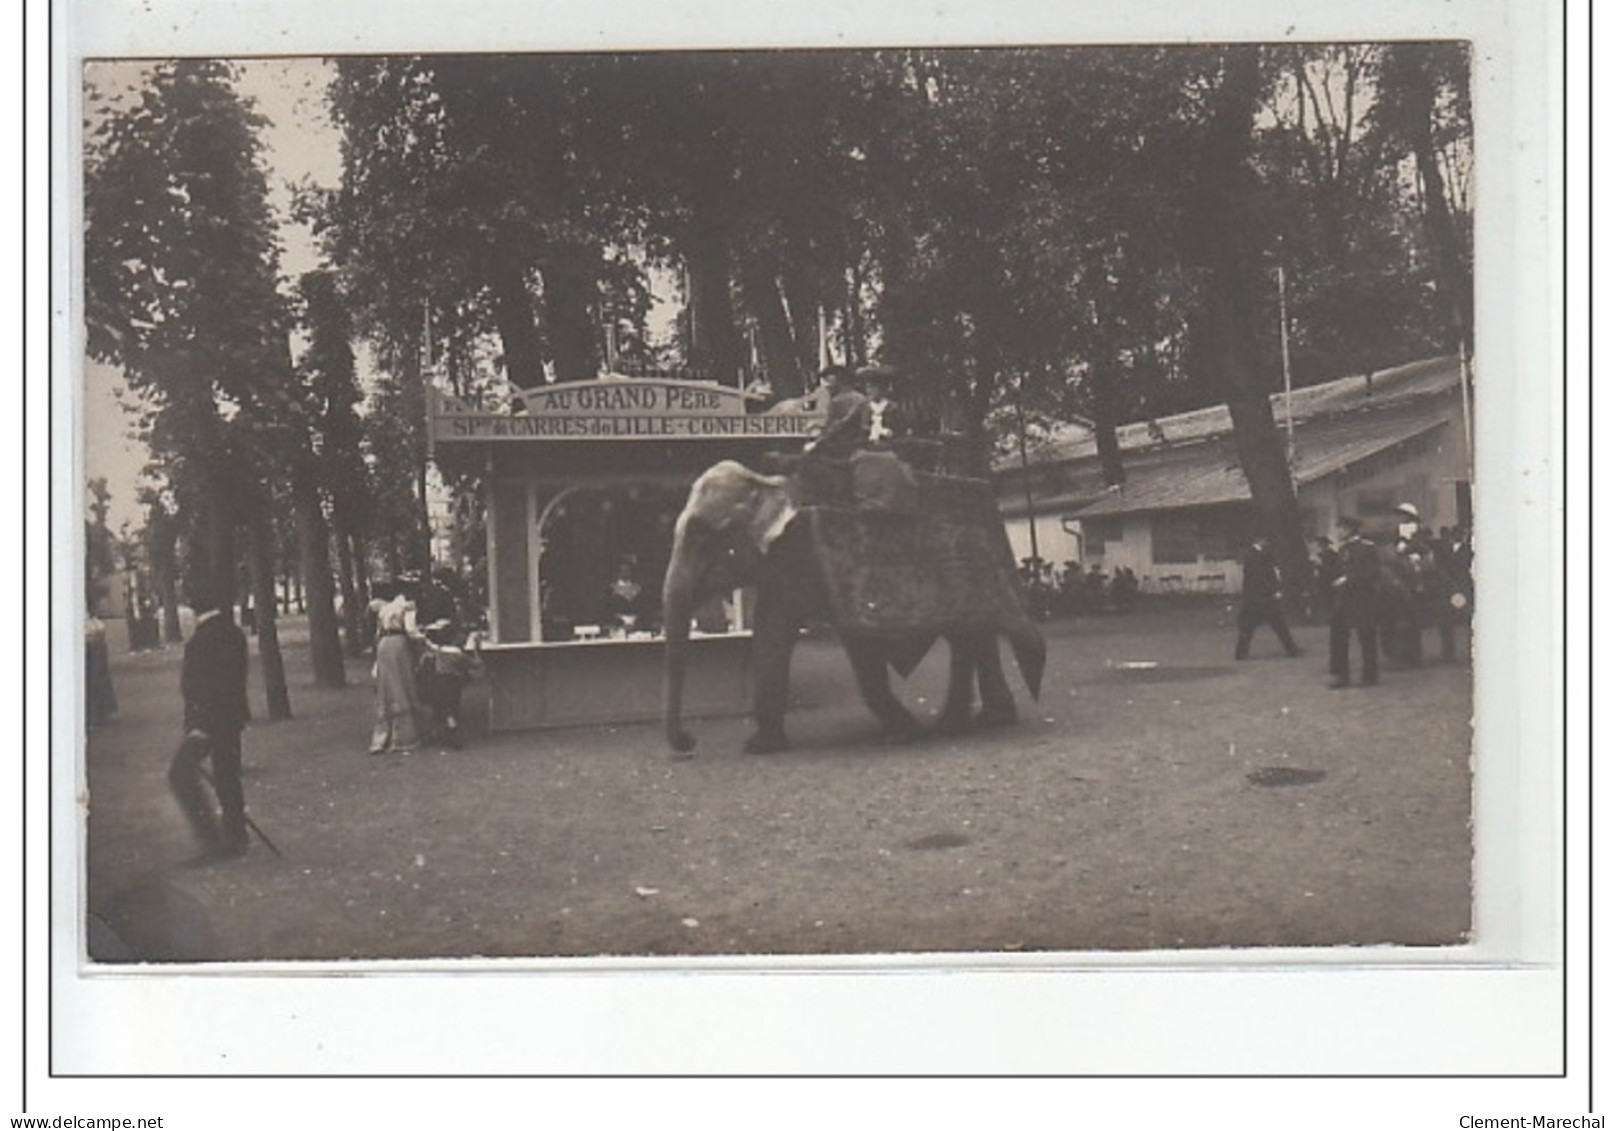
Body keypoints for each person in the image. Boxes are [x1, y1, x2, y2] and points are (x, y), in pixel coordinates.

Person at [168, 586, 250, 861]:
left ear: (194, 609)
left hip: (209, 722)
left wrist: (199, 725)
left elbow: (204, 687)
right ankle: (235, 837)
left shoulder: (202, 640)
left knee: (179, 774)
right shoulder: (233, 632)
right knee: (227, 777)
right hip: (230, 718)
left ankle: (214, 841)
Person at [369, 576, 424, 755]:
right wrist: (425, 637)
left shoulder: (385, 608)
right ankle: (403, 738)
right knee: (402, 685)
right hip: (399, 645)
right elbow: (411, 630)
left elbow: (378, 632)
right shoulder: (408, 607)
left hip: (383, 646)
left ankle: (381, 739)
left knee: (386, 689)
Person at [416, 568, 469, 748]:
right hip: (444, 644)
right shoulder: (443, 595)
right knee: (451, 696)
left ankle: (441, 722)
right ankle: (447, 723)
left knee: (435, 687)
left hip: (435, 646)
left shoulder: (430, 594)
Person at [1328, 516, 1381, 689]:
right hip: (1344, 600)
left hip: (1362, 599)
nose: (1339, 532)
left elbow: (1371, 574)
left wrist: (1347, 580)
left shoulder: (1368, 548)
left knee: (1366, 637)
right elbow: (1337, 571)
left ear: (1351, 529)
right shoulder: (1343, 550)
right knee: (1339, 637)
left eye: (1341, 528)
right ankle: (1342, 676)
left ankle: (1370, 675)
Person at [1234, 535, 1302, 660]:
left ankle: (1291, 649)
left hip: (1257, 597)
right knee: (1272, 624)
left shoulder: (1258, 554)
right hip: (1260, 597)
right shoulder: (1254, 555)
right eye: (1266, 540)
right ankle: (1291, 649)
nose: (1267, 543)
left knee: (1268, 624)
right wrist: (1273, 590)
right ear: (1259, 540)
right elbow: (1260, 577)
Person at [802, 365, 871, 460]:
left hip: (838, 448)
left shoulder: (837, 401)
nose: (826, 386)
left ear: (839, 381)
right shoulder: (861, 398)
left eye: (828, 381)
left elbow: (833, 428)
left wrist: (816, 443)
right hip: (858, 446)